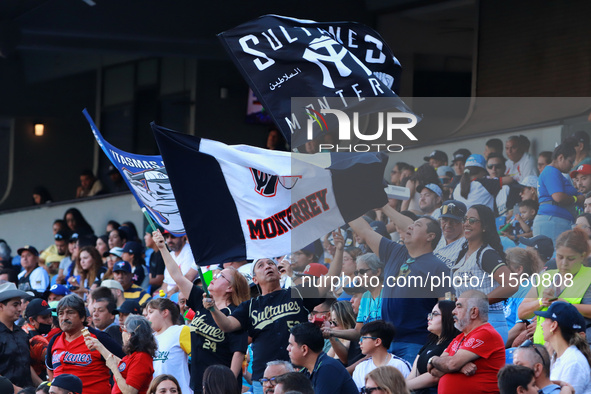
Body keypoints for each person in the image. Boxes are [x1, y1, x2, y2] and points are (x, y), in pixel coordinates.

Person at [201, 247, 341, 394]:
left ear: (280, 273)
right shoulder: (249, 306)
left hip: (297, 372)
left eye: (271, 263)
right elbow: (227, 325)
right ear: (254, 279)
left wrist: (339, 249)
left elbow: (328, 281)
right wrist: (213, 309)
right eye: (261, 265)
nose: (267, 266)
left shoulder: (297, 293)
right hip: (264, 379)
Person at [349, 204, 452, 363]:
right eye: (411, 225)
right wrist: (342, 205)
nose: (410, 227)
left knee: (408, 388)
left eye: (417, 225)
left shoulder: (439, 267)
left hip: (416, 343)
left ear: (430, 236)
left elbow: (447, 310)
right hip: (386, 342)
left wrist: (440, 347)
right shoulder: (394, 251)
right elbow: (364, 230)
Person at [154, 230, 249, 393]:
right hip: (199, 382)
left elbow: (238, 352)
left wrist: (230, 384)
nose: (213, 277)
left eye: (220, 276)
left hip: (221, 384)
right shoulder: (201, 300)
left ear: (230, 288)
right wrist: (163, 248)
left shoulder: (237, 313)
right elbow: (178, 276)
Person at [452, 204, 519, 343]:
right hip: (470, 323)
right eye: (465, 219)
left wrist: (478, 303)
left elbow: (512, 284)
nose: (466, 224)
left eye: (472, 220)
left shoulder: (486, 254)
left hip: (490, 321)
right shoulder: (463, 253)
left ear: (484, 227)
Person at [518, 228, 591, 344]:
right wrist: (541, 302)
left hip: (573, 348)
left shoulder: (588, 277)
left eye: (570, 258)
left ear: (582, 256)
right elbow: (521, 312)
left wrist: (568, 306)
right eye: (560, 257)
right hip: (543, 350)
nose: (564, 263)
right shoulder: (544, 277)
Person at [428, 290, 506, 394]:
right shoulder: (459, 337)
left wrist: (433, 359)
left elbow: (451, 364)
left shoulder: (486, 333)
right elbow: (434, 371)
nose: (453, 311)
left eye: (459, 306)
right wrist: (459, 367)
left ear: (474, 312)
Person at [46, 294, 125, 394]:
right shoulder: (54, 340)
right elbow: (50, 369)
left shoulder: (99, 338)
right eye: (61, 314)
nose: (64, 318)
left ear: (83, 317)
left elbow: (125, 365)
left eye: (70, 313)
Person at [84, 315, 156, 394]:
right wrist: (99, 346)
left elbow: (129, 392)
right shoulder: (134, 355)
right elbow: (120, 364)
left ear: (129, 336)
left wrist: (113, 368)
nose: (121, 333)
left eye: (123, 329)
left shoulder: (141, 358)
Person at [534, 302, 591, 393]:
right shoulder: (557, 357)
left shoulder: (573, 361)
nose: (541, 324)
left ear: (554, 326)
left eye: (545, 320)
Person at [287, 323, 358, 394]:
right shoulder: (306, 372)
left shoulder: (328, 368)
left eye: (291, 345)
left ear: (304, 349)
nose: (288, 348)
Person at [534, 140, 583, 242]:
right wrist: (576, 198)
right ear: (560, 158)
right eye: (570, 161)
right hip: (553, 220)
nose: (572, 165)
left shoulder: (554, 172)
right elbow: (558, 197)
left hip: (553, 220)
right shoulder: (551, 171)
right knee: (554, 257)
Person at [406, 300, 460, 394]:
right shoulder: (430, 343)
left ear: (448, 317)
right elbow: (414, 374)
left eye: (435, 314)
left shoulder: (455, 343)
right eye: (430, 314)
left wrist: (399, 387)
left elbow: (434, 376)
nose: (429, 318)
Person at [146, 298, 192, 394]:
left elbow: (198, 359)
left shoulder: (180, 330)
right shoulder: (149, 338)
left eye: (151, 312)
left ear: (164, 312)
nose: (147, 317)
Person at [352, 320, 411, 390]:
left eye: (363, 338)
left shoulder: (400, 365)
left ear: (377, 341)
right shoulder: (360, 368)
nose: (359, 342)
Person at [503, 248, 543, 347]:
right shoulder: (509, 289)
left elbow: (520, 328)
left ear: (518, 270)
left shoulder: (526, 290)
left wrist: (493, 347)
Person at [0, 282, 34, 391]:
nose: (20, 309)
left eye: (20, 304)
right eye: (15, 305)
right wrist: (17, 390)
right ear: (1, 306)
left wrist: (42, 385)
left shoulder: (22, 333)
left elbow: (26, 365)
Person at [324, 301, 360, 366]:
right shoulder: (339, 340)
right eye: (330, 322)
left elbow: (344, 360)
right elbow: (325, 361)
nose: (331, 326)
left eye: (335, 322)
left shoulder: (352, 343)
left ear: (346, 322)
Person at [434, 200, 467, 269]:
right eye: (445, 220)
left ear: (463, 222)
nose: (448, 225)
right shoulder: (436, 235)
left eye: (454, 221)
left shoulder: (467, 245)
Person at [161, 231, 195, 296]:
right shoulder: (170, 254)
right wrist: (162, 295)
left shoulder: (189, 251)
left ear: (182, 237)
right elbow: (166, 282)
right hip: (169, 294)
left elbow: (186, 278)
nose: (169, 240)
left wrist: (172, 292)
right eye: (167, 237)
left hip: (182, 293)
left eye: (173, 237)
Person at [145, 225, 165, 293]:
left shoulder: (163, 255)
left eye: (147, 234)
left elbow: (160, 280)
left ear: (154, 237)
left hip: (162, 291)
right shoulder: (152, 255)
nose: (145, 237)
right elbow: (151, 276)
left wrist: (143, 280)